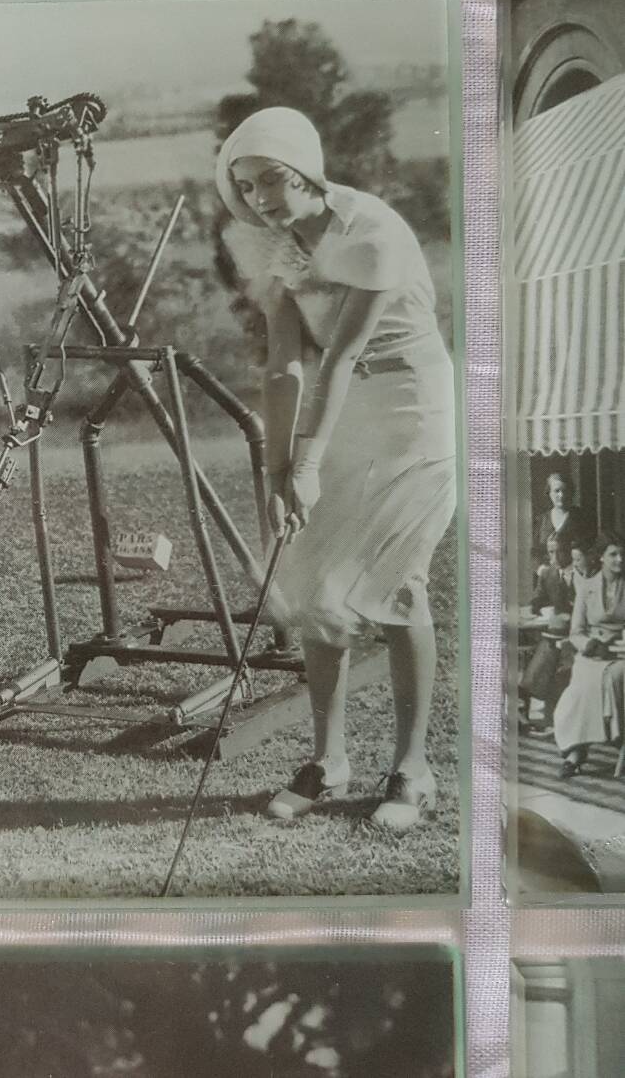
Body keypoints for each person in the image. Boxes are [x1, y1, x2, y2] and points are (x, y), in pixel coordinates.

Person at [215, 107, 456, 833]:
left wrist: (309, 461)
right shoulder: (276, 247)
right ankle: (328, 761)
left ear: (308, 171)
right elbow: (286, 367)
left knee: (398, 585)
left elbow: (344, 355)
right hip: (340, 412)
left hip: (412, 412)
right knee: (318, 582)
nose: (262, 200)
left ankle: (413, 769)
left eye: (274, 181)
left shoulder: (374, 230)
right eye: (248, 188)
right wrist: (279, 469)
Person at [553, 534, 625, 778]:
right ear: (602, 557)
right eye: (614, 554)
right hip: (592, 654)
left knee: (613, 677)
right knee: (580, 688)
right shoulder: (587, 587)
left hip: (622, 654)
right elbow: (576, 632)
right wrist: (592, 645)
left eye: (623, 554)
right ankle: (575, 753)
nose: (620, 559)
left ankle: (616, 737)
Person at [520, 536, 583, 730]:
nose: (554, 556)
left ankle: (546, 714)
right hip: (555, 632)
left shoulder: (582, 572)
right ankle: (540, 713)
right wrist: (539, 609)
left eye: (558, 551)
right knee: (546, 649)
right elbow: (537, 601)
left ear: (569, 551)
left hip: (579, 632)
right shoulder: (547, 574)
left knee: (550, 654)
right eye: (550, 552)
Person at [535, 473, 593, 575]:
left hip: (575, 574)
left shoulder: (581, 517)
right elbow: (535, 551)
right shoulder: (541, 520)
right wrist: (540, 567)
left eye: (565, 491)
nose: (561, 495)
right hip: (549, 575)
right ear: (549, 493)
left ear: (571, 493)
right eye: (557, 491)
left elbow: (589, 548)